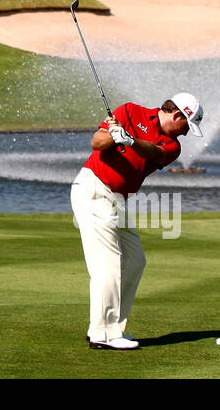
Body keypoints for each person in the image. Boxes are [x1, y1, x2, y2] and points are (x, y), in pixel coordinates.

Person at [70, 93, 204, 350]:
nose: (186, 133)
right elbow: (97, 143)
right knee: (108, 264)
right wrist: (114, 134)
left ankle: (110, 327)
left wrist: (129, 140)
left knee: (134, 261)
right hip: (93, 189)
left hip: (117, 200)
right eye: (186, 126)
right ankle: (103, 335)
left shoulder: (173, 146)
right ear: (177, 115)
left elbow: (155, 152)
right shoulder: (130, 111)